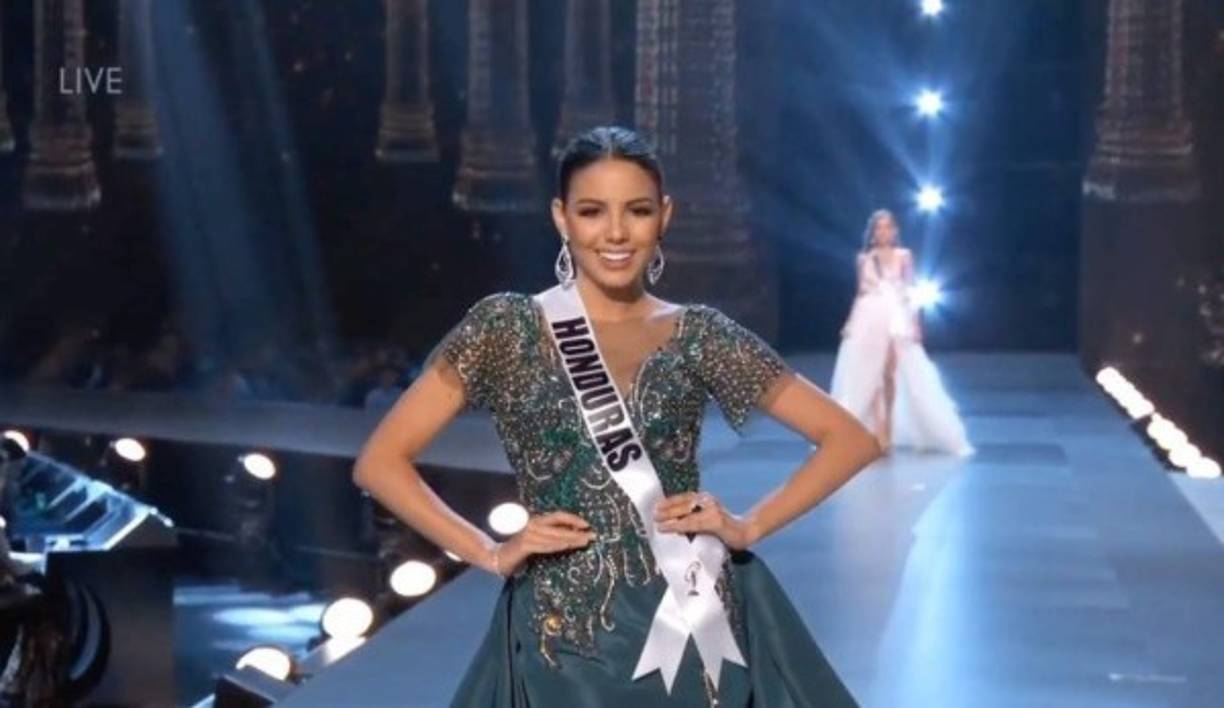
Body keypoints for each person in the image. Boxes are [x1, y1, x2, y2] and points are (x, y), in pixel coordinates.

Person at [353, 126, 881, 707]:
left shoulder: (697, 334)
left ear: (665, 216)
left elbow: (848, 439)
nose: (616, 232)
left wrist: (748, 526)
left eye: (637, 210)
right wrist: (490, 552)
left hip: (691, 614)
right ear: (561, 218)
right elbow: (381, 462)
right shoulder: (504, 329)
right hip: (566, 635)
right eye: (591, 211)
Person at [830, 209, 974, 456]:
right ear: (873, 233)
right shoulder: (864, 259)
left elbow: (910, 291)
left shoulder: (904, 256)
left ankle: (888, 425)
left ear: (895, 231)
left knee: (889, 372)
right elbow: (861, 293)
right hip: (868, 318)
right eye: (879, 228)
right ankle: (879, 430)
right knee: (869, 374)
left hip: (895, 319)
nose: (883, 232)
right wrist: (850, 322)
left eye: (888, 227)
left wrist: (916, 323)